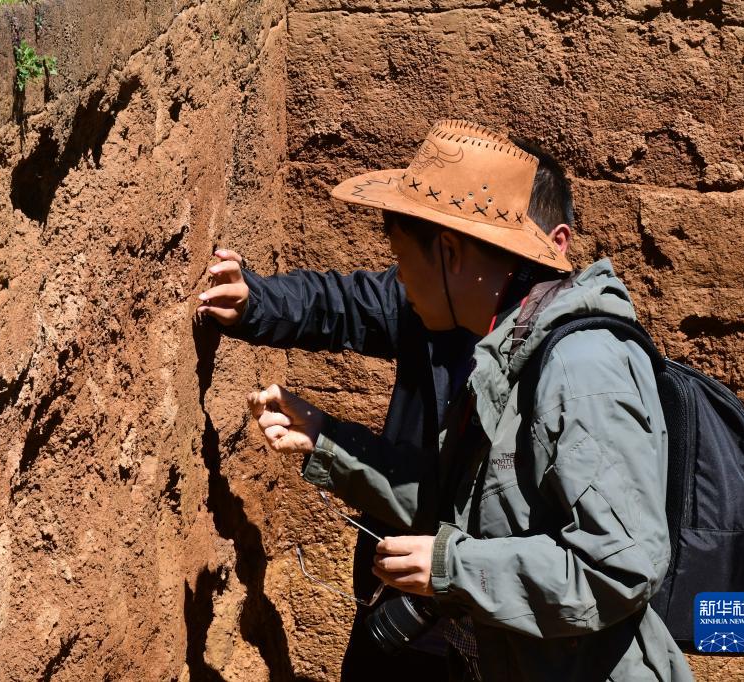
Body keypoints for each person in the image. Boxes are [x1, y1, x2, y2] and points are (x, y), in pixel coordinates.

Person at [240, 120, 693, 680]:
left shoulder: (584, 368)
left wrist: (454, 566)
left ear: (451, 254)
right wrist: (330, 442)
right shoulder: (506, 353)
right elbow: (467, 507)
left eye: (403, 261)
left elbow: (621, 565)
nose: (400, 283)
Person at [197, 120, 573, 678]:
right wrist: (257, 301)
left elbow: (515, 534)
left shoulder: (568, 365)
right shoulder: (439, 303)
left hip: (496, 633)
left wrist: (331, 444)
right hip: (405, 609)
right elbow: (345, 303)